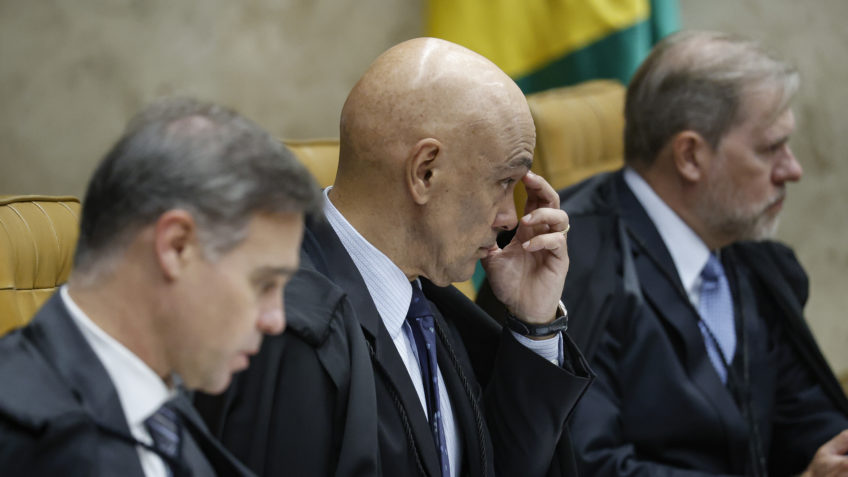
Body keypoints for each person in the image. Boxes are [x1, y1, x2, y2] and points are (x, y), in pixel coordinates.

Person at [195, 37, 594, 477]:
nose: (509, 217)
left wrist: (534, 325)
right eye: (503, 183)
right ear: (425, 172)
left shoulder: (427, 299)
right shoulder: (287, 333)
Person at [556, 30, 848, 475]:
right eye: (771, 148)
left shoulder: (743, 250)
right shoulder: (571, 268)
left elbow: (802, 413)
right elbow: (589, 466)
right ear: (690, 156)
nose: (793, 169)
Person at [0, 98, 323, 476]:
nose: (276, 320)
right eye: (264, 283)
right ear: (176, 247)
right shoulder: (25, 437)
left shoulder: (161, 410)